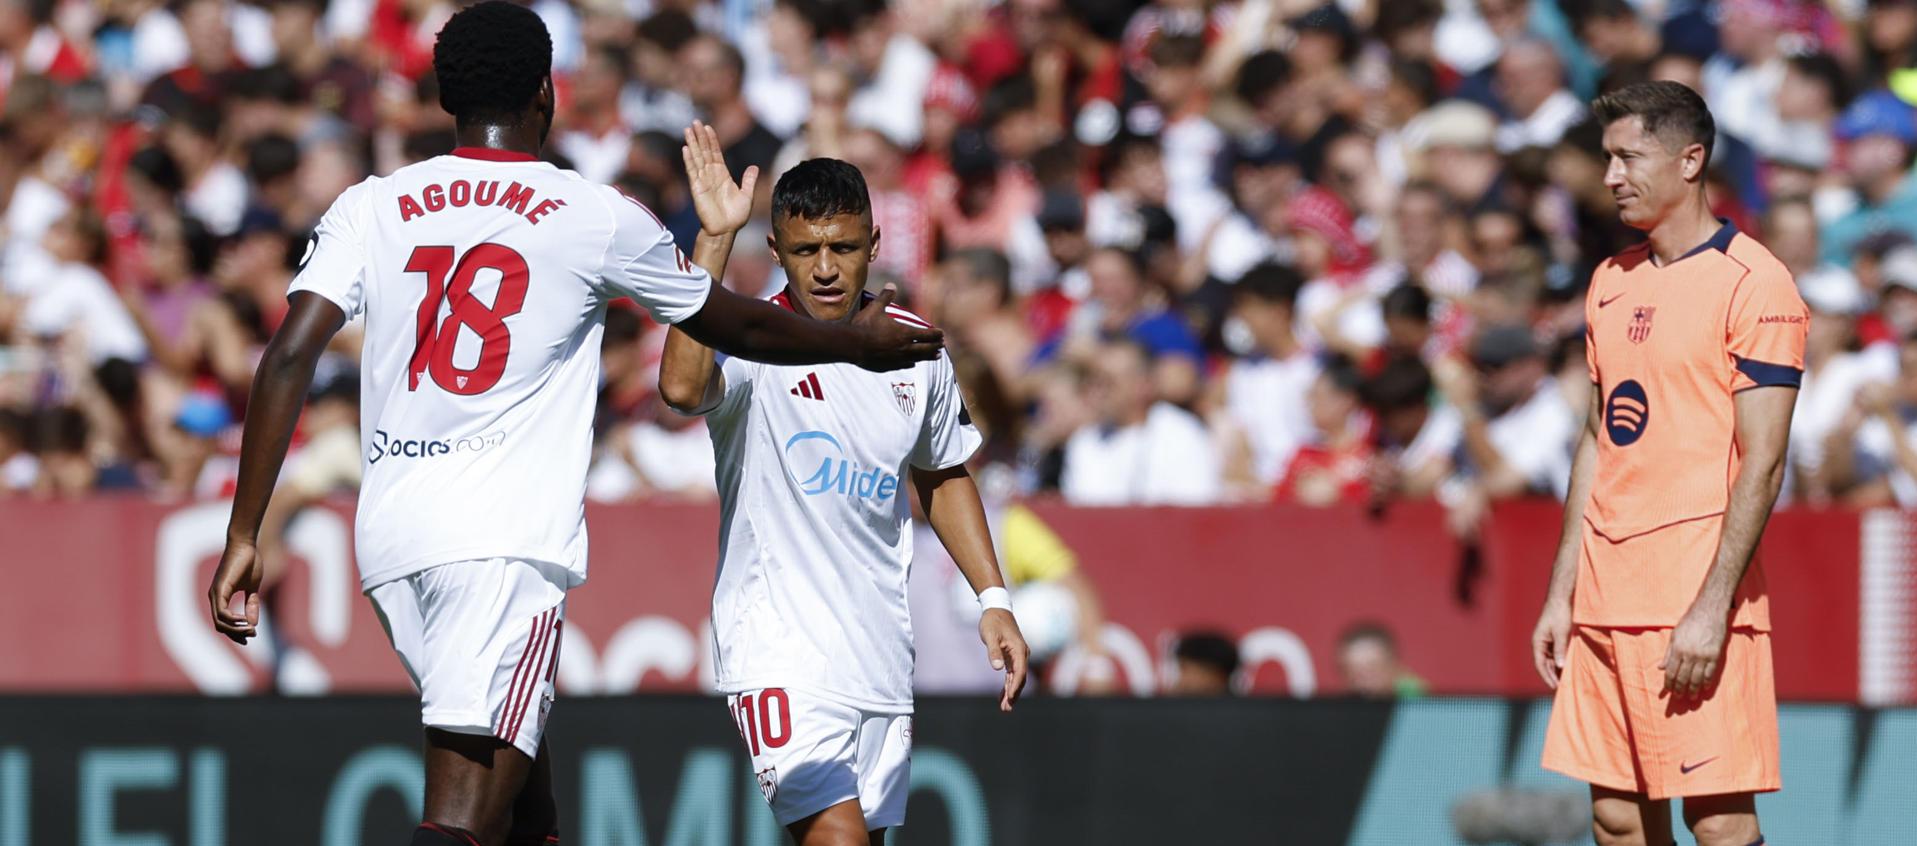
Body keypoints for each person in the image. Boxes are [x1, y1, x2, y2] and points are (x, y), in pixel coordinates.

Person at [203, 5, 944, 846]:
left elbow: (288, 355)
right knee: (462, 819)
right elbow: (734, 323)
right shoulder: (589, 213)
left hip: (393, 537)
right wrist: (851, 342)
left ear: (445, 98)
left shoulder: (372, 204)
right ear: (546, 94)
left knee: (528, 813)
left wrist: (244, 531)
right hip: (499, 546)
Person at [657, 153, 1029, 846]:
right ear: (777, 251)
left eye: (843, 248)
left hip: (878, 655)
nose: (825, 268)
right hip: (778, 650)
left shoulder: (914, 348)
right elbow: (680, 388)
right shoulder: (749, 340)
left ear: (874, 244)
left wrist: (993, 598)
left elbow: (943, 471)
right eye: (805, 251)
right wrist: (714, 238)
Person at [1533, 81, 1805, 846]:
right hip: (1604, 595)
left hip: (1690, 596)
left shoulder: (1755, 283)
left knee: (1717, 823)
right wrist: (1562, 592)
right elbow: (1597, 440)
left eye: (1628, 157)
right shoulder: (1608, 281)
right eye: (1606, 159)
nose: (1610, 176)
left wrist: (1713, 605)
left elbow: (1763, 459)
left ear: (1689, 161)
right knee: (1616, 819)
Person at [1336, 622, 1428, 698]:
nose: (1362, 683)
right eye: (1352, 673)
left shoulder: (1420, 702)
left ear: (1394, 665)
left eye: (1372, 670)